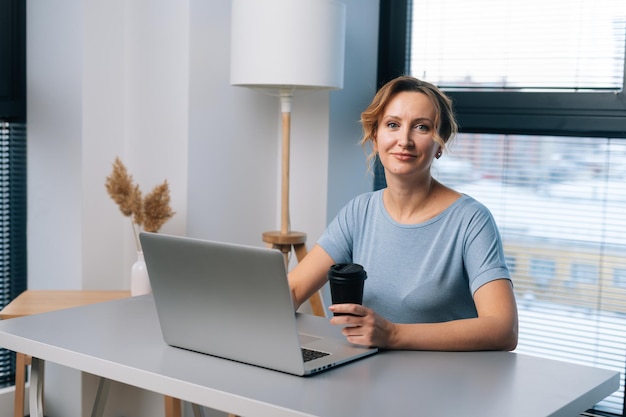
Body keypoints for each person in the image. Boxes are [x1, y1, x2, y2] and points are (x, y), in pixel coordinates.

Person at [288, 75, 518, 351]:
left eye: (421, 127)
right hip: (364, 375)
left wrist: (394, 335)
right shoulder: (359, 212)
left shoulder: (471, 220)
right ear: (375, 136)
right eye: (393, 125)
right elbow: (293, 290)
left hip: (446, 384)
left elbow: (504, 328)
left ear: (440, 144)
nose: (404, 140)